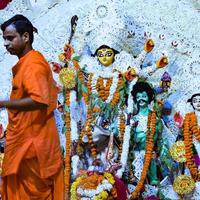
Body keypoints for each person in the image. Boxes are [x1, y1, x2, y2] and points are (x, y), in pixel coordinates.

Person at [0, 15, 64, 199]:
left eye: (10, 38)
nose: (5, 43)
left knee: (34, 193)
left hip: (34, 144)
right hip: (27, 139)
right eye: (4, 38)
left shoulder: (33, 64)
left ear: (26, 37)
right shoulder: (27, 62)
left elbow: (40, 100)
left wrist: (3, 103)